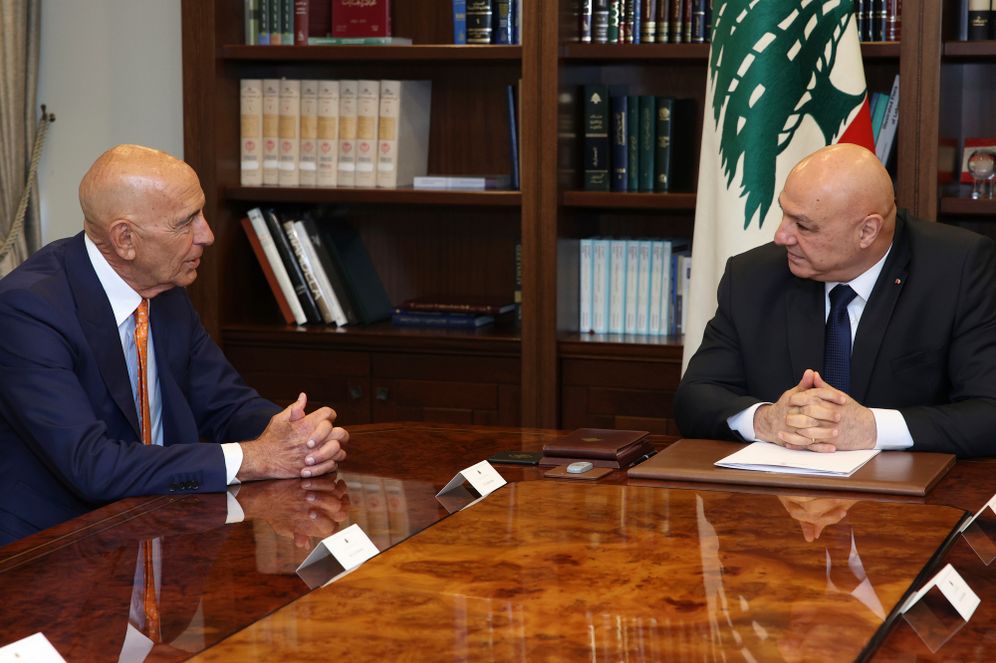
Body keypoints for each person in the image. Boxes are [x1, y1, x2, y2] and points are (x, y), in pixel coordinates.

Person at [0, 144, 349, 545]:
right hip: (56, 551)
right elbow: (91, 465)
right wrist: (255, 457)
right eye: (186, 222)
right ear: (125, 239)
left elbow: (225, 403)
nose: (208, 234)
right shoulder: (27, 310)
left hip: (162, 528)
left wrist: (299, 438)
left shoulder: (163, 287)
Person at [676, 143, 996, 458]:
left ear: (867, 231)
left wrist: (872, 428)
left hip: (906, 498)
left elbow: (988, 413)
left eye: (803, 225)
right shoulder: (752, 276)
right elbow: (694, 398)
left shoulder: (959, 269)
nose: (781, 236)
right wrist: (767, 420)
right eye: (784, 214)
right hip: (777, 496)